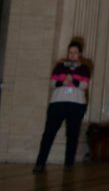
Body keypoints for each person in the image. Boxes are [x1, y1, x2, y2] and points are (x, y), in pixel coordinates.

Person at [33, 39, 91, 173]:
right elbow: (52, 83)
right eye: (70, 52)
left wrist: (73, 80)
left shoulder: (84, 68)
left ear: (80, 54)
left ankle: (69, 165)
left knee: (72, 135)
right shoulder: (60, 66)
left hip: (76, 105)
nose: (72, 55)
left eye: (75, 52)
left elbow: (84, 85)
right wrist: (63, 82)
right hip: (57, 103)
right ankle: (40, 163)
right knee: (48, 134)